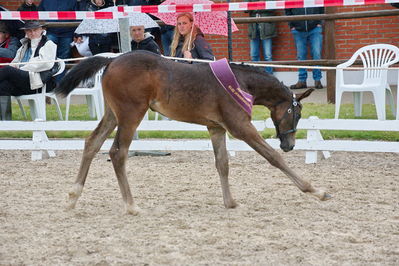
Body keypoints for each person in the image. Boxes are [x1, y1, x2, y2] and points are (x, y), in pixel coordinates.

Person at [0, 21, 57, 98]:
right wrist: (15, 66)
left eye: (35, 30)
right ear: (25, 31)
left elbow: (46, 64)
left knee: (7, 69)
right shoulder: (24, 45)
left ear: (41, 30)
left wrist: (20, 68)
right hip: (25, 82)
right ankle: (4, 111)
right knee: (3, 86)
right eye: (29, 31)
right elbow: (15, 62)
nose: (32, 33)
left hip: (39, 83)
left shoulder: (49, 44)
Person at [286, 7, 324, 89]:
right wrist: (291, 25)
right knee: (301, 55)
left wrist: (320, 22)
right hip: (298, 29)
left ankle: (317, 80)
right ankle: (302, 80)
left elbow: (321, 6)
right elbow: (287, 9)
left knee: (316, 54)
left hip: (315, 28)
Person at [246, 0, 276, 74]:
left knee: (268, 56)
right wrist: (261, 5)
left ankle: (270, 78)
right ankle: (257, 77)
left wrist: (256, 7)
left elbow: (273, 7)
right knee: (254, 55)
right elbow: (246, 8)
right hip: (253, 27)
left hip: (266, 27)